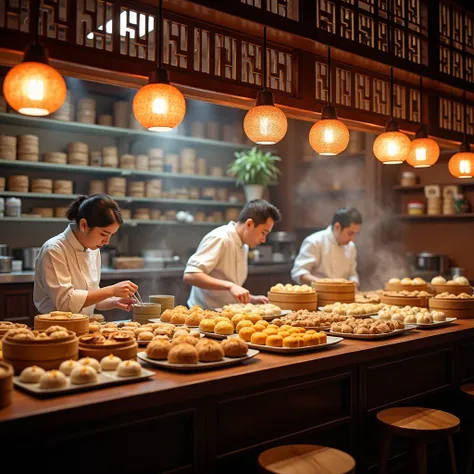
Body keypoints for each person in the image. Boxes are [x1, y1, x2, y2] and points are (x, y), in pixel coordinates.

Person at [34, 194, 138, 316]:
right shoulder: (54, 249)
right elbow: (66, 303)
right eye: (103, 234)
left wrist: (115, 301)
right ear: (84, 225)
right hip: (55, 328)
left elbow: (91, 298)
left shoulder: (93, 249)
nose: (107, 242)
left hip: (84, 326)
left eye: (111, 235)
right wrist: (111, 290)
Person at [183, 199, 281, 309]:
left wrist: (251, 299)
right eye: (263, 232)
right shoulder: (220, 238)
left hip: (225, 313)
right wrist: (230, 286)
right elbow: (190, 275)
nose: (264, 240)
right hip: (203, 313)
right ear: (249, 224)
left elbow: (230, 288)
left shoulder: (244, 245)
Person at [291, 207, 362, 286]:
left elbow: (352, 274)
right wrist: (326, 285)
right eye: (350, 233)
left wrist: (354, 285)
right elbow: (299, 272)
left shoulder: (351, 247)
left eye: (356, 234)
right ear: (337, 227)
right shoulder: (314, 241)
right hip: (317, 296)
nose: (353, 239)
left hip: (342, 296)